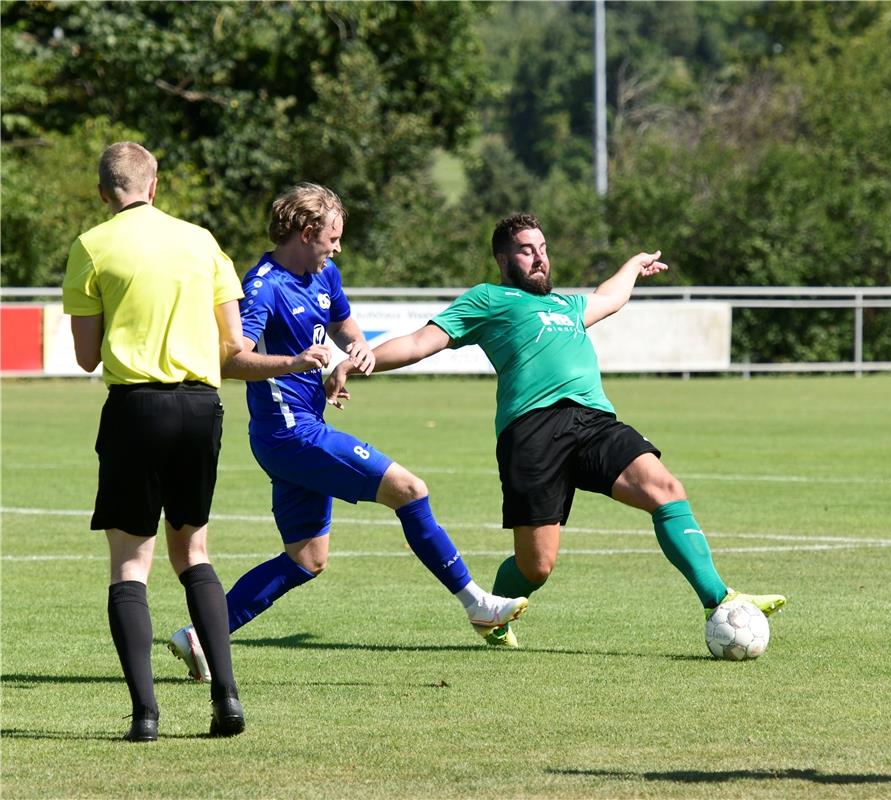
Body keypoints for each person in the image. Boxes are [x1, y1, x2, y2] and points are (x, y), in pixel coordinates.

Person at [326, 212, 787, 649]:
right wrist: (361, 360)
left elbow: (610, 297)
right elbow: (420, 342)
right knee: (537, 566)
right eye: (527, 251)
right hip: (531, 431)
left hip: (594, 421)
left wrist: (633, 264)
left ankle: (720, 598)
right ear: (505, 261)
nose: (540, 257)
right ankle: (492, 615)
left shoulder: (567, 305)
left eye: (543, 248)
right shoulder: (488, 298)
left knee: (665, 489)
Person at [167, 184, 527, 682]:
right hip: (289, 434)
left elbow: (347, 330)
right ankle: (478, 604)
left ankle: (200, 636)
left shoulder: (325, 273)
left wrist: (353, 355)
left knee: (307, 559)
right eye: (332, 238)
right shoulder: (262, 286)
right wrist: (291, 363)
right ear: (307, 232)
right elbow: (229, 361)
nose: (338, 248)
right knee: (410, 489)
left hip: (302, 429)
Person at [62, 142, 246, 741]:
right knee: (194, 554)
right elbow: (232, 343)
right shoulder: (202, 241)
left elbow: (88, 357)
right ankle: (227, 697)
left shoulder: (92, 244)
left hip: (135, 409)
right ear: (155, 184)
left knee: (129, 565)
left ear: (102, 193)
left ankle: (146, 715)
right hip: (199, 406)